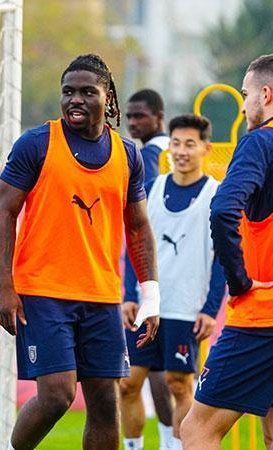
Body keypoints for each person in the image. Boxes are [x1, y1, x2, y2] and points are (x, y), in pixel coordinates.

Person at [0, 54, 160, 450]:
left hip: (101, 296)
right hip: (43, 293)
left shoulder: (127, 154)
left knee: (105, 404)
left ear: (108, 98)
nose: (75, 100)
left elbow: (138, 226)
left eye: (87, 92)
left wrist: (151, 295)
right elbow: (4, 213)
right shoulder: (36, 144)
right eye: (68, 92)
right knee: (57, 394)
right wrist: (4, 286)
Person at [181, 54, 273, 449]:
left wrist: (239, 281)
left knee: (197, 430)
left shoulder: (259, 142)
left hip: (261, 317)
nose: (243, 105)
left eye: (245, 95)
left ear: (266, 95)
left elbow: (223, 210)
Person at [119, 114, 226, 450]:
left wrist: (210, 309)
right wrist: (129, 294)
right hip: (147, 303)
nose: (181, 151)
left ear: (206, 148)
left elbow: (222, 259)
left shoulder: (217, 196)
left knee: (179, 384)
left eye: (189, 144)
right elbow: (134, 244)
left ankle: (177, 446)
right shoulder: (151, 189)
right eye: (176, 143)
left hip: (186, 306)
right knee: (127, 384)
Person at [122, 88, 177, 449]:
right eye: (129, 116)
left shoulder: (150, 158)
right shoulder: (170, 154)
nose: (132, 122)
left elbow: (142, 226)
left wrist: (134, 289)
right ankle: (170, 443)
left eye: (139, 115)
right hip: (170, 280)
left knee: (142, 378)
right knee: (160, 375)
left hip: (153, 281)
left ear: (159, 117)